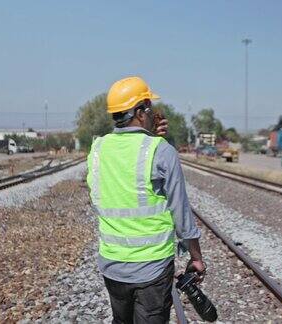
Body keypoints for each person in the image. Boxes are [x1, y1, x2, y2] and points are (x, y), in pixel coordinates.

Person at [87, 76, 205, 324]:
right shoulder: (160, 151)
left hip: (112, 265)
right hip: (152, 268)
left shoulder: (98, 149)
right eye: (149, 108)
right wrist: (196, 257)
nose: (154, 113)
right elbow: (181, 214)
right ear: (140, 112)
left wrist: (149, 136)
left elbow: (102, 196)